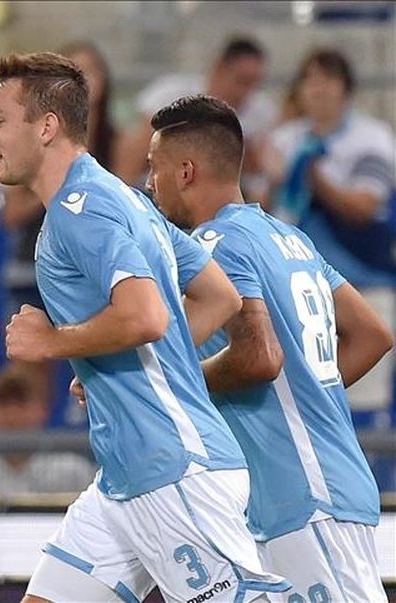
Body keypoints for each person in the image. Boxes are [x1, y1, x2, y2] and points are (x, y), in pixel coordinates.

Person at [0, 51, 288, 602]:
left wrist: (57, 340)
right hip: (124, 478)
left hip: (173, 469)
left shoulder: (82, 210)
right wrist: (109, 355)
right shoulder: (124, 196)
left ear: (46, 126)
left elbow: (145, 315)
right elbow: (217, 297)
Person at [147, 93, 392, 602]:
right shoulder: (290, 238)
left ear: (186, 171)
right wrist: (306, 397)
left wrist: (175, 384)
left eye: (155, 168)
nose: (150, 184)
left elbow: (258, 357)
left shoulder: (218, 244)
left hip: (303, 493)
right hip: (312, 488)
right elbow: (373, 334)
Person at [0, 40, 119, 420]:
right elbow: (11, 214)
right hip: (33, 263)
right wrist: (51, 181)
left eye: (91, 70)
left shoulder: (121, 142)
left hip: (95, 264)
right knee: (32, 359)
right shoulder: (28, 150)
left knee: (100, 358)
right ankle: (33, 460)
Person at [264, 47, 395, 286]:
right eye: (310, 80)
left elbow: (363, 208)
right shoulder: (283, 139)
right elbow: (263, 206)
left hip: (361, 274)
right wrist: (272, 181)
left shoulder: (372, 137)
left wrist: (312, 177)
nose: (318, 88)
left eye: (328, 79)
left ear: (346, 89)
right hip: (295, 276)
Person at [113, 36, 278, 199]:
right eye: (241, 81)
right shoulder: (170, 94)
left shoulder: (262, 113)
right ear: (219, 68)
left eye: (254, 84)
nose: (245, 92)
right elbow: (135, 146)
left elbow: (265, 173)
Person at [0, 366, 97, 494]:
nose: (12, 415)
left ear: (43, 410)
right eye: (3, 403)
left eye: (21, 403)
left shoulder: (73, 471)